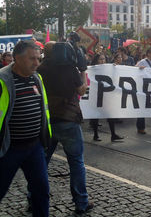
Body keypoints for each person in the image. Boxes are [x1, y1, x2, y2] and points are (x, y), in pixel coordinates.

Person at [36, 40, 93, 214]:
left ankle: (34, 199)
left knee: (40, 164)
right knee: (76, 162)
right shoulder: (70, 69)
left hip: (47, 121)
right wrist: (83, 72)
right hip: (68, 119)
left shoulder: (40, 69)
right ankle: (81, 202)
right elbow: (82, 90)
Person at [0, 40, 52, 217]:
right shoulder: (2, 80)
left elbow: (43, 109)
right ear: (16, 58)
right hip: (8, 149)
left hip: (34, 147)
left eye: (39, 58)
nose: (37, 63)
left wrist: (44, 138)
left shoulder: (37, 78)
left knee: (41, 191)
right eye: (32, 58)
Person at [89, 53, 124, 142]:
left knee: (110, 115)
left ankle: (113, 134)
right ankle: (96, 134)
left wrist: (114, 68)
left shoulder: (108, 69)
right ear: (96, 60)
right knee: (95, 115)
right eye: (100, 59)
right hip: (96, 96)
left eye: (104, 59)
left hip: (106, 96)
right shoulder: (92, 69)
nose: (102, 61)